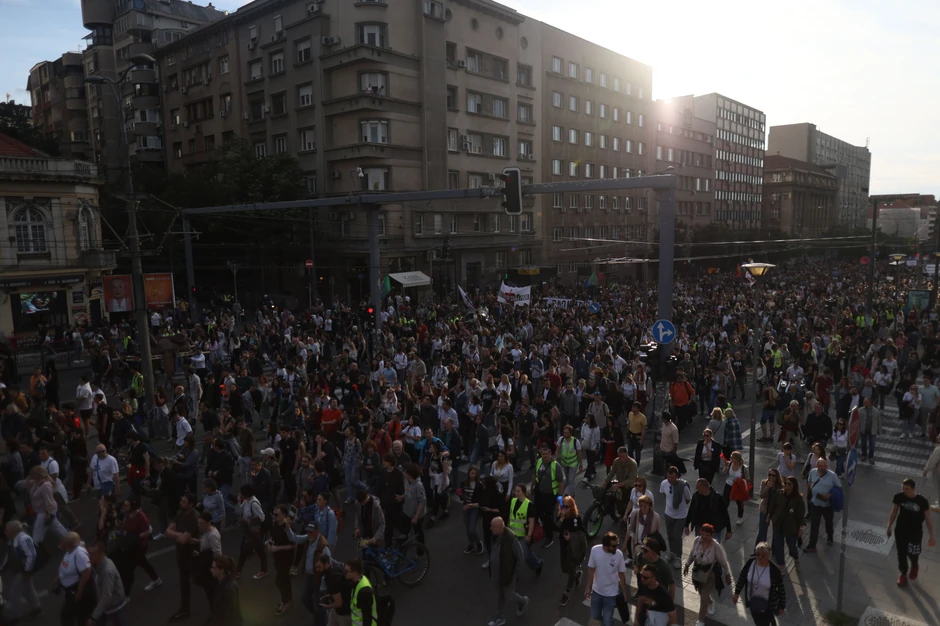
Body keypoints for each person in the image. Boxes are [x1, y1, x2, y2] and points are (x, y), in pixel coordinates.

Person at [886, 477, 936, 586]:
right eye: (903, 488)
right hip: (900, 530)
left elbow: (928, 519)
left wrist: (932, 535)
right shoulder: (899, 497)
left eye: (907, 489)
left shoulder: (922, 501)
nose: (904, 491)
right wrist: (889, 526)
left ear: (913, 488)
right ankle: (903, 574)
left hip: (915, 532)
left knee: (913, 553)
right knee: (901, 553)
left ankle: (914, 565)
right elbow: (894, 512)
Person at [682, 523, 732, 626]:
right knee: (702, 594)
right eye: (703, 534)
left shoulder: (715, 546)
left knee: (703, 598)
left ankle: (700, 621)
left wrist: (727, 574)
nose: (704, 537)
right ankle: (710, 602)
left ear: (711, 535)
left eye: (707, 535)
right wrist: (687, 565)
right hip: (697, 573)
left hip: (710, 574)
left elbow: (723, 561)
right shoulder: (697, 540)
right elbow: (692, 554)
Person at [166, 493, 202, 621]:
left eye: (184, 501)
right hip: (181, 554)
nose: (181, 502)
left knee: (201, 580)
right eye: (181, 500)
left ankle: (218, 604)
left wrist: (176, 534)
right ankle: (185, 609)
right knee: (184, 582)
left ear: (191, 504)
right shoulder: (180, 512)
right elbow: (167, 531)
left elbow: (183, 540)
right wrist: (179, 534)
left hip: (192, 555)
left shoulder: (194, 517)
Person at [487, 517, 528, 626]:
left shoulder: (511, 539)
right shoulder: (495, 536)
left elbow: (521, 557)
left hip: (507, 575)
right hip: (496, 574)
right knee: (500, 596)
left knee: (509, 595)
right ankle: (499, 617)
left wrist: (514, 572)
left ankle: (523, 602)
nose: (490, 528)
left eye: (493, 526)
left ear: (501, 527)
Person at [732, 543, 786, 626]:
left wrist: (782, 606)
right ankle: (772, 621)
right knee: (757, 621)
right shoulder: (751, 563)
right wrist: (737, 593)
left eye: (763, 555)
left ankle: (770, 619)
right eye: (758, 554)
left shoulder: (774, 571)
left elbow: (781, 589)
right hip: (753, 601)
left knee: (762, 623)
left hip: (768, 605)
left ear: (768, 556)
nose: (760, 557)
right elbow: (742, 577)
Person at [118, 498, 163, 595]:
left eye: (126, 505)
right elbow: (126, 527)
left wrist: (136, 536)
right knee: (142, 564)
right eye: (124, 505)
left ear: (132, 507)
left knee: (130, 567)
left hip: (139, 546)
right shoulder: (127, 514)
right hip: (131, 544)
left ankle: (126, 593)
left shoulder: (141, 516)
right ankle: (156, 579)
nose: (124, 507)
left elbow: (147, 531)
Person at [583, 532, 628, 626]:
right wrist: (587, 588)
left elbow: (621, 574)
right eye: (614, 546)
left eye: (617, 544)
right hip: (597, 591)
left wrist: (624, 591)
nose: (616, 548)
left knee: (607, 621)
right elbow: (591, 570)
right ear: (605, 546)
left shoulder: (618, 555)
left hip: (611, 594)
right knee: (595, 616)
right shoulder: (595, 550)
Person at [3, 520, 42, 621]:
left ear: (13, 531)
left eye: (7, 530)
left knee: (14, 593)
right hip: (21, 570)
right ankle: (36, 606)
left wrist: (27, 571)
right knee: (28, 589)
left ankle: (14, 616)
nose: (5, 532)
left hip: (23, 570)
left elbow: (32, 555)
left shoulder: (23, 538)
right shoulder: (12, 539)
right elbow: (9, 556)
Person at [53, 532, 95, 626]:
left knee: (74, 616)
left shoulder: (79, 555)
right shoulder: (69, 552)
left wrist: (79, 593)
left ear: (69, 545)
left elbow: (85, 575)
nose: (60, 545)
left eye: (62, 543)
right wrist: (57, 580)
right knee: (70, 614)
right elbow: (64, 566)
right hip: (71, 591)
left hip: (79, 592)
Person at [766, 476, 805, 568]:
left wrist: (801, 528)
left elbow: (801, 515)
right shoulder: (779, 493)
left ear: (794, 486)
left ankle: (796, 558)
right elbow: (772, 505)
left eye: (789, 484)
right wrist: (769, 516)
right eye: (786, 483)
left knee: (791, 545)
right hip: (778, 523)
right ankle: (781, 565)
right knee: (778, 545)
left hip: (791, 526)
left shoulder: (798, 499)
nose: (787, 486)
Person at [556, 494, 587, 606]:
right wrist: (562, 518)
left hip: (573, 549)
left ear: (572, 507)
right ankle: (577, 574)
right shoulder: (561, 517)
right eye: (563, 506)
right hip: (564, 547)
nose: (565, 509)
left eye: (568, 507)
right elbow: (556, 528)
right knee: (564, 569)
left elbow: (583, 532)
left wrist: (571, 537)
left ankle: (566, 594)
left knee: (570, 571)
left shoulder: (576, 519)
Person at [88, 541, 128, 626]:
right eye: (89, 553)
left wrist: (93, 617)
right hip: (106, 607)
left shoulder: (107, 571)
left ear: (101, 554)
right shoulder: (97, 565)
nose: (89, 556)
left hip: (114, 608)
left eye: (92, 554)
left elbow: (107, 596)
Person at [804, 457, 839, 553]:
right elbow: (809, 484)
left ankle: (830, 537)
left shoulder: (832, 475)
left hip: (828, 505)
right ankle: (812, 545)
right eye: (821, 466)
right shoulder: (812, 472)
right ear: (817, 466)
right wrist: (809, 497)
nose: (823, 467)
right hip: (816, 503)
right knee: (814, 524)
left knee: (829, 522)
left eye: (825, 465)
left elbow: (839, 488)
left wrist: (830, 494)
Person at [659, 466, 692, 567]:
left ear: (677, 477)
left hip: (681, 516)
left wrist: (679, 506)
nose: (670, 479)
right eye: (668, 477)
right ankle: (672, 553)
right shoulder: (664, 483)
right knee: (670, 536)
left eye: (672, 477)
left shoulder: (683, 486)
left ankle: (678, 557)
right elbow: (664, 495)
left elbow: (688, 498)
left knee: (677, 536)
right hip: (668, 514)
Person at [507, 483, 543, 575]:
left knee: (526, 555)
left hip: (523, 535)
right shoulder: (513, 501)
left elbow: (531, 521)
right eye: (515, 491)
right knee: (512, 554)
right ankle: (514, 573)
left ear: (524, 492)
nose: (516, 493)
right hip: (512, 533)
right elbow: (510, 515)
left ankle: (538, 564)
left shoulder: (529, 505)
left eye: (518, 491)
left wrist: (529, 535)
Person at [235, 484, 268, 581]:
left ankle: (263, 570)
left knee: (259, 551)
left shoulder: (254, 503)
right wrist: (238, 501)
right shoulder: (246, 501)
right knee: (244, 550)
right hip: (248, 531)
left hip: (254, 532)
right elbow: (238, 511)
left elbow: (262, 517)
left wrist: (249, 520)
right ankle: (238, 571)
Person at [685, 477, 732, 543]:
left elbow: (725, 514)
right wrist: (686, 525)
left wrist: (729, 530)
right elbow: (691, 510)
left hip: (714, 529)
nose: (696, 489)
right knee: (700, 548)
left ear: (704, 487)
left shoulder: (717, 497)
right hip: (700, 527)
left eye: (698, 487)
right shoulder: (696, 496)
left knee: (714, 548)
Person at [534, 444, 563, 548]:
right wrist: (532, 486)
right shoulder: (538, 462)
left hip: (551, 495)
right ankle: (547, 527)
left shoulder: (556, 465)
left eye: (547, 454)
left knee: (548, 515)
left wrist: (560, 496)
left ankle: (549, 537)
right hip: (539, 493)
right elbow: (535, 475)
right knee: (538, 512)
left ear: (551, 454)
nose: (545, 456)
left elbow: (561, 482)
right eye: (543, 454)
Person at [625, 494, 661, 565]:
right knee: (638, 562)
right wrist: (624, 545)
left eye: (645, 506)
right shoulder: (635, 513)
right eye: (641, 506)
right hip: (636, 542)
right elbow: (630, 529)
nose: (643, 508)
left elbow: (657, 533)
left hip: (647, 546)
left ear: (649, 506)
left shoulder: (656, 517)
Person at [208, 555, 244, 626]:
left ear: (222, 570)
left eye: (213, 568)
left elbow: (230, 616)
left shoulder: (229, 589)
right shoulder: (219, 581)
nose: (211, 569)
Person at [344, 558, 379, 626]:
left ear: (354, 574)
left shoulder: (364, 592)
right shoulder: (357, 581)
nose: (344, 573)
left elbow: (367, 617)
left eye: (346, 571)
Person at [756, 469, 782, 550]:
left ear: (777, 476)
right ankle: (759, 549)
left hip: (774, 511)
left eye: (773, 475)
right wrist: (768, 487)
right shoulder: (764, 482)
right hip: (764, 509)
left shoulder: (780, 486)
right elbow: (761, 495)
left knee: (776, 532)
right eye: (769, 475)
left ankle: (774, 549)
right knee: (762, 531)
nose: (771, 477)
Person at [722, 451, 750, 526]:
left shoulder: (743, 468)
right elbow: (724, 472)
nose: (731, 459)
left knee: (739, 502)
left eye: (732, 457)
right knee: (725, 501)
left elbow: (747, 478)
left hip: (738, 487)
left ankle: (740, 517)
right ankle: (723, 517)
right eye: (731, 457)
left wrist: (739, 480)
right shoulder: (730, 464)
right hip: (728, 484)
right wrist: (726, 466)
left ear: (737, 459)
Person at [555, 424, 582, 496]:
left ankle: (571, 495)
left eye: (566, 433)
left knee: (570, 480)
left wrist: (581, 464)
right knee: (567, 479)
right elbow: (557, 450)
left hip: (573, 464)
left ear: (571, 433)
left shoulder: (576, 441)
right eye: (564, 432)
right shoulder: (561, 439)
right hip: (565, 463)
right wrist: (555, 460)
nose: (565, 434)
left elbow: (579, 454)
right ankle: (569, 491)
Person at [858, 396, 883, 465]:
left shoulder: (876, 411)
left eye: (866, 402)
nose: (864, 403)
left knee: (872, 444)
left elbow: (879, 421)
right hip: (863, 430)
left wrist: (879, 430)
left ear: (870, 403)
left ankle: (871, 457)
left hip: (873, 430)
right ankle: (864, 455)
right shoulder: (860, 410)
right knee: (863, 444)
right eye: (864, 402)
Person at [923, 434, 940, 507]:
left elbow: (932, 461)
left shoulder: (938, 449)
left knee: (938, 487)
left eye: (939, 437)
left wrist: (926, 470)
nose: (937, 437)